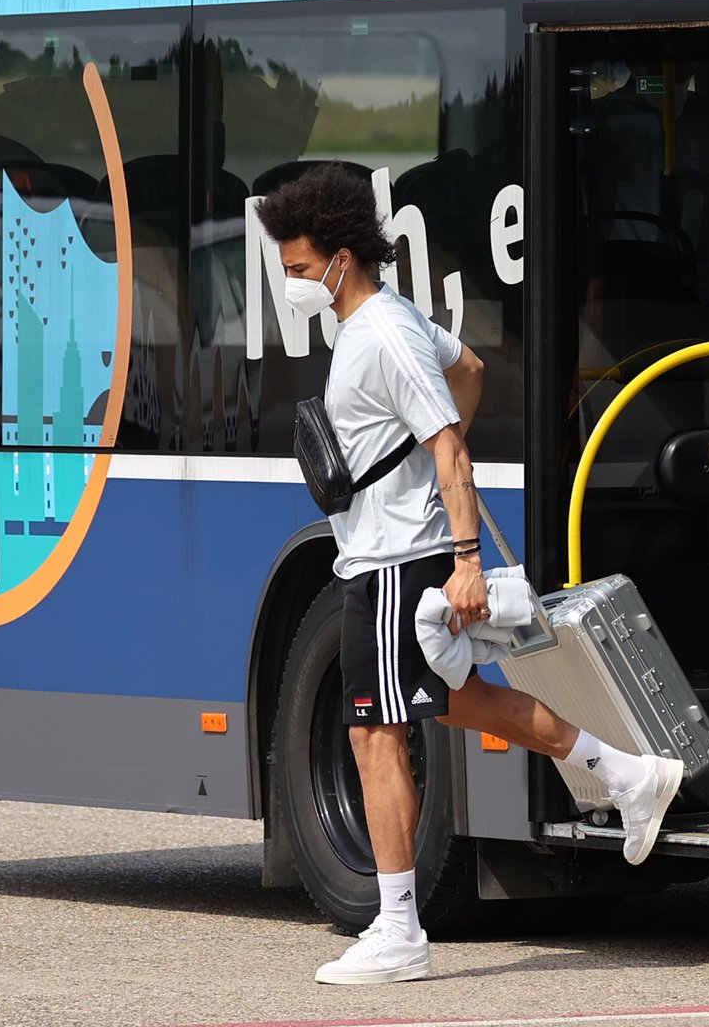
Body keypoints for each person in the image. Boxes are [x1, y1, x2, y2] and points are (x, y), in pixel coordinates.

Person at [258, 165, 684, 986]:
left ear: (342, 257)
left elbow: (451, 443)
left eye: (301, 266)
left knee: (373, 734)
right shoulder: (391, 321)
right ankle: (631, 774)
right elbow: (475, 372)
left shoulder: (379, 334)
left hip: (391, 563)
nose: (294, 281)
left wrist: (465, 559)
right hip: (394, 549)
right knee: (458, 703)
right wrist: (419, 463)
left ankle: (397, 928)